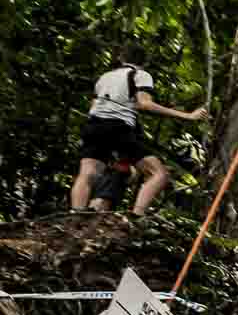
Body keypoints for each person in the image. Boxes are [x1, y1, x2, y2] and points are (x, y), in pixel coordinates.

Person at [71, 61, 207, 216]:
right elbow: (145, 103)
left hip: (93, 125)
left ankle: (76, 215)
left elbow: (95, 105)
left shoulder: (105, 77)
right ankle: (137, 215)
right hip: (118, 127)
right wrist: (188, 116)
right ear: (142, 64)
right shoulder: (139, 75)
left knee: (87, 173)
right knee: (159, 173)